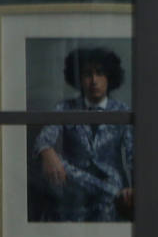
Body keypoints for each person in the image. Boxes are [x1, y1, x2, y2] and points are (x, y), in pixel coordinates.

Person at [31, 47, 134, 223]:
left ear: (109, 77)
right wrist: (46, 151)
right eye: (87, 74)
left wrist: (134, 189)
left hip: (112, 201)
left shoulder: (123, 112)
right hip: (74, 196)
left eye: (100, 73)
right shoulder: (65, 108)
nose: (94, 80)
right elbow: (44, 138)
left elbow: (135, 155)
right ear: (79, 79)